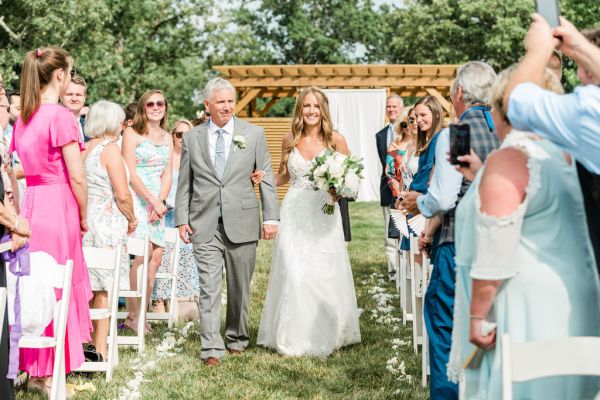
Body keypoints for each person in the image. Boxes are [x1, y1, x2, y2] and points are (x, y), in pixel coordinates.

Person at [449, 65, 600, 399]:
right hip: (577, 298)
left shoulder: (511, 159)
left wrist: (476, 318)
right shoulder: (572, 154)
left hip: (524, 304)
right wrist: (482, 176)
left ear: (506, 109)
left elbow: (494, 257)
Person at [403, 62, 500, 400]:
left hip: (459, 243)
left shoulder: (458, 132)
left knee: (445, 322)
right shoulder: (505, 130)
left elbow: (446, 196)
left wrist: (421, 203)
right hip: (501, 247)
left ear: (459, 93)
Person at [174, 77, 279, 366]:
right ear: (207, 104)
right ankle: (210, 347)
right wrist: (181, 218)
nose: (227, 106)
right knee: (208, 286)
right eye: (220, 102)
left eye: (230, 101)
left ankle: (236, 337)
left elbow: (266, 176)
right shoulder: (192, 137)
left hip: (243, 220)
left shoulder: (253, 134)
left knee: (239, 287)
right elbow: (185, 183)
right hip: (203, 222)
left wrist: (271, 218)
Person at [10, 46, 92, 395]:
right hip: (59, 206)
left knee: (33, 286)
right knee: (56, 286)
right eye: (70, 73)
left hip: (31, 205)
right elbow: (77, 177)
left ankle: (30, 367)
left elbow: (13, 172)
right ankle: (47, 374)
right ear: (60, 75)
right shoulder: (60, 116)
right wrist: (84, 215)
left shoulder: (23, 117)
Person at [257, 86, 361, 357]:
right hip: (293, 210)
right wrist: (262, 178)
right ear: (300, 109)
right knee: (293, 270)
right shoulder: (289, 138)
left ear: (323, 110)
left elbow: (351, 181)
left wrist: (339, 190)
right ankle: (292, 335)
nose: (311, 111)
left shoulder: (336, 140)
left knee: (322, 272)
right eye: (306, 106)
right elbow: (282, 176)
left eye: (316, 106)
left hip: (324, 211)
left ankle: (327, 332)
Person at [504, 15, 600, 274]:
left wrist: (539, 50)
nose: (578, 74)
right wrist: (579, 46)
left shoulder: (589, 109)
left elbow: (515, 101)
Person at [82, 100, 137, 361]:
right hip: (106, 224)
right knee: (103, 289)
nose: (122, 125)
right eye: (120, 121)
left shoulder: (84, 148)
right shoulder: (111, 149)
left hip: (86, 222)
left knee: (88, 288)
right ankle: (100, 349)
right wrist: (132, 218)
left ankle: (84, 345)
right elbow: (123, 194)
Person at [121, 90, 172, 334]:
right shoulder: (131, 133)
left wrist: (160, 201)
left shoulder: (168, 137)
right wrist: (151, 200)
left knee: (156, 257)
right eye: (150, 103)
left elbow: (168, 173)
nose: (155, 107)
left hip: (158, 203)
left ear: (165, 107)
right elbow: (130, 172)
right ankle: (132, 316)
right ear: (143, 107)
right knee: (143, 254)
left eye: (159, 103)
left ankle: (143, 313)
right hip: (138, 197)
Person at [152, 119, 200, 318]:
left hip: (187, 216)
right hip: (166, 214)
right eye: (179, 134)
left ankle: (186, 298)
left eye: (187, 135)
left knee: (188, 254)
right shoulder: (166, 157)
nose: (183, 138)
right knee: (164, 257)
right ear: (173, 136)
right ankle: (158, 299)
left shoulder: (196, 158)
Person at [375, 94, 403, 281]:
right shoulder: (380, 135)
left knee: (405, 231)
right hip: (387, 189)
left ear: (402, 108)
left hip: (408, 189)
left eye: (395, 106)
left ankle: (406, 269)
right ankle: (393, 271)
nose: (391, 109)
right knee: (389, 231)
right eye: (388, 106)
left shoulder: (411, 130)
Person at [60, 74, 87, 141]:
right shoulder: (54, 123)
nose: (74, 99)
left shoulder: (89, 127)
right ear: (61, 97)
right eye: (69, 94)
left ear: (84, 98)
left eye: (78, 95)